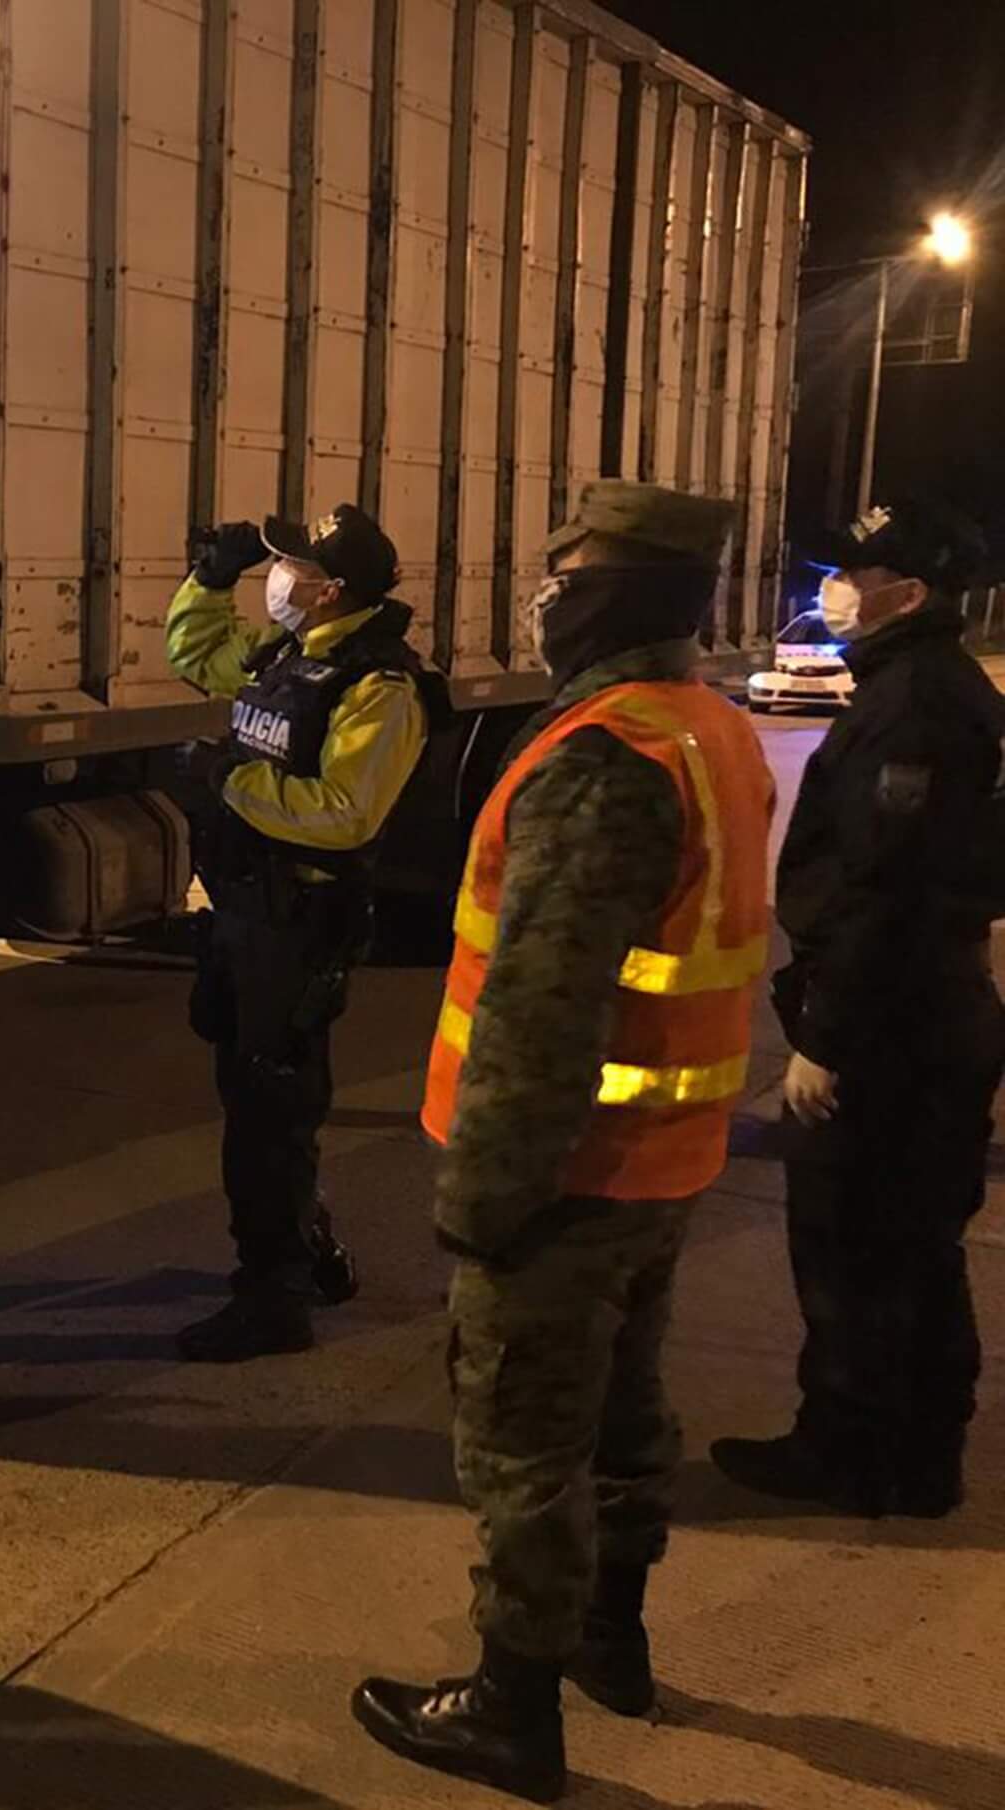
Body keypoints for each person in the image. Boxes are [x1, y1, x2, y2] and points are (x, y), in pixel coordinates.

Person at [352, 482, 775, 1801]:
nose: (545, 592)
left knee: (524, 1440)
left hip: (569, 1172)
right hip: (663, 1155)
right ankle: (609, 1638)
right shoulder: (705, 725)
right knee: (622, 1411)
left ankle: (508, 1705)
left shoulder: (603, 757)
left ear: (619, 593)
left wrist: (485, 1194)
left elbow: (540, 1008)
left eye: (569, 571)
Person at [714, 498, 1005, 1519]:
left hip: (895, 1019)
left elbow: (885, 886)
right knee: (912, 1244)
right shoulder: (920, 685)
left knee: (855, 1243)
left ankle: (851, 1452)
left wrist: (824, 1040)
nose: (834, 589)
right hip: (927, 1005)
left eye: (855, 575)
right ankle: (917, 1458)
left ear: (908, 593)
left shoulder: (914, 705)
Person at [165, 505, 443, 1361]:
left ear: (331, 591)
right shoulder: (290, 654)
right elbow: (198, 656)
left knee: (271, 1117)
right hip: (248, 915)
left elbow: (344, 814)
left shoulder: (379, 688)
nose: (279, 579)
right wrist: (211, 580)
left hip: (298, 926)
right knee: (252, 1103)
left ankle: (274, 1299)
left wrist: (228, 781)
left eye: (294, 568)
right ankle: (302, 1249)